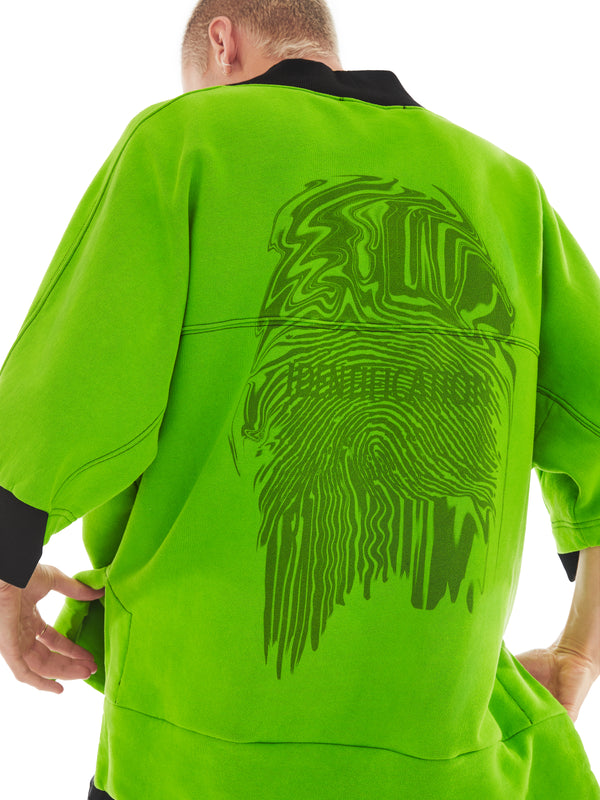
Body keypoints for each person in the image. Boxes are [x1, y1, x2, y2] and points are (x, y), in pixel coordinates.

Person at [0, 1, 599, 798]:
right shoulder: (509, 191)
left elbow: (68, 398)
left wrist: (7, 574)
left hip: (193, 763)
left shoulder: (186, 140)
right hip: (451, 772)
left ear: (222, 43)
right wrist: (578, 655)